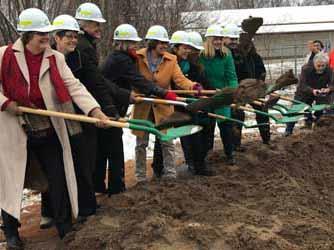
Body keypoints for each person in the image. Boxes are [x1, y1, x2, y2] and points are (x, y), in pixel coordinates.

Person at [0, 8, 109, 248]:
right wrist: (6, 103)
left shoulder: (55, 59)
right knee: (11, 182)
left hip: (47, 129)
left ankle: (64, 227)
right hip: (15, 128)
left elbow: (74, 86)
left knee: (57, 176)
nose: (46, 39)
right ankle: (11, 232)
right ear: (27, 35)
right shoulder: (4, 56)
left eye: (48, 35)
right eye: (41, 35)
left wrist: (95, 110)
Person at [98, 24, 178, 195]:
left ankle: (106, 186)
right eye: (132, 43)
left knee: (165, 140)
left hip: (117, 104)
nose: (135, 45)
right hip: (111, 106)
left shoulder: (125, 57)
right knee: (116, 148)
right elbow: (138, 80)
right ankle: (120, 186)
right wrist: (162, 92)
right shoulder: (124, 59)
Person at [74, 3, 135, 194]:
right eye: (95, 25)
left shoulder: (87, 46)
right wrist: (110, 111)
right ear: (83, 25)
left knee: (99, 149)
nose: (99, 28)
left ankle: (98, 186)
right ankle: (115, 187)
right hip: (93, 105)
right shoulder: (85, 49)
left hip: (97, 104)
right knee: (109, 148)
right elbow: (96, 83)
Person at [132, 25, 200, 182]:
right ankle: (140, 176)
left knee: (167, 140)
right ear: (152, 43)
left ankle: (170, 173)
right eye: (160, 42)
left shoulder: (171, 59)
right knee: (141, 143)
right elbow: (131, 77)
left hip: (163, 105)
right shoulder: (138, 57)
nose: (164, 45)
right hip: (143, 104)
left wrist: (192, 86)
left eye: (165, 42)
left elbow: (179, 79)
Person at [152, 30, 214, 177]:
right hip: (170, 103)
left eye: (189, 48)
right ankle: (158, 167)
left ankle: (197, 164)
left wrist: (201, 90)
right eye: (184, 48)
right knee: (164, 133)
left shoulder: (190, 65)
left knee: (193, 131)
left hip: (187, 104)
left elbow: (186, 82)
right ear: (176, 47)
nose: (188, 51)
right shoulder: (168, 62)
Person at [223, 23, 270, 149]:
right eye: (231, 39)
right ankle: (236, 144)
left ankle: (266, 139)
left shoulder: (254, 56)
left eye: (235, 40)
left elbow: (261, 70)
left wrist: (259, 82)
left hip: (253, 89)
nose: (234, 42)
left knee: (262, 111)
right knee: (237, 114)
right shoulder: (229, 55)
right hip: (238, 90)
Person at [199, 24, 238, 165]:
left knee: (225, 125)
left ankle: (230, 153)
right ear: (209, 39)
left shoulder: (226, 55)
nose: (218, 42)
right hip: (206, 95)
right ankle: (205, 155)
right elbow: (198, 75)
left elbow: (231, 76)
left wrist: (232, 91)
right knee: (207, 126)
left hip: (222, 95)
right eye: (215, 39)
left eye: (220, 39)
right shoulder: (201, 55)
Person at [285, 52, 334, 136]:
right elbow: (302, 85)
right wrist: (312, 90)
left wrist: (328, 89)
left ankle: (319, 130)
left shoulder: (329, 70)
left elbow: (332, 83)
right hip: (305, 91)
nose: (321, 68)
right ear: (314, 63)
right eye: (318, 66)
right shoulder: (306, 69)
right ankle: (288, 131)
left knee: (322, 109)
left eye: (323, 66)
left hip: (320, 92)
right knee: (296, 109)